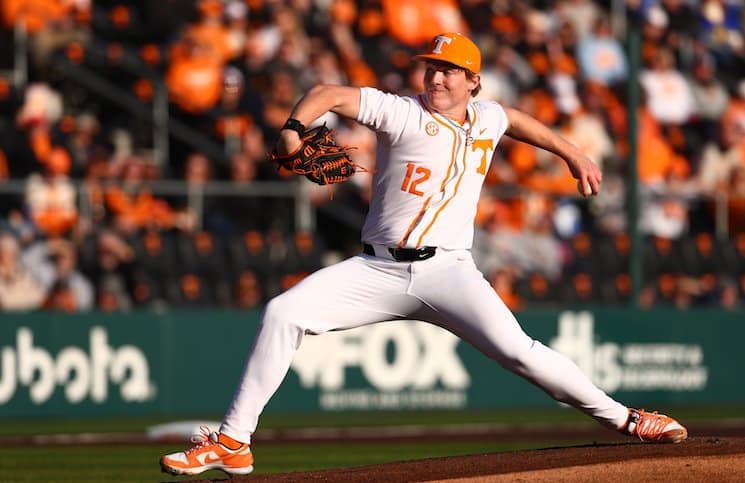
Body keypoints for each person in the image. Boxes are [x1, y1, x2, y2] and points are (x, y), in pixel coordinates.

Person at [161, 32, 688, 476]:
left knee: (522, 353)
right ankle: (234, 442)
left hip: (448, 272)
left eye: (448, 71)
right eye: (431, 68)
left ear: (473, 81)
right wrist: (293, 130)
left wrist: (572, 153)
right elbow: (327, 93)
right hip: (377, 268)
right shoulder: (402, 113)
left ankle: (627, 419)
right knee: (282, 313)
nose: (436, 78)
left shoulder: (487, 117)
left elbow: (515, 119)